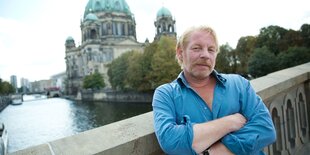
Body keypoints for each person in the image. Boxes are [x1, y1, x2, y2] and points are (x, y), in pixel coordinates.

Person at [152, 25, 276, 155]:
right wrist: (229, 123)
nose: (205, 55)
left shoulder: (239, 84)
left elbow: (266, 129)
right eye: (196, 48)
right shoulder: (165, 94)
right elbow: (170, 141)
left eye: (211, 50)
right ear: (180, 52)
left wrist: (211, 151)